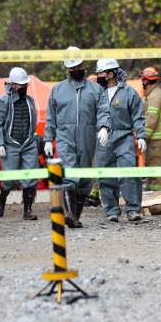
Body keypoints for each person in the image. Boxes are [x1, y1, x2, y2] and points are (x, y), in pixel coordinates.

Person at [44, 46, 111, 228]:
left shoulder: (96, 90)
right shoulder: (57, 90)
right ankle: (70, 214)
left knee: (84, 178)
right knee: (69, 173)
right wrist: (48, 139)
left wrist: (104, 127)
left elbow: (104, 110)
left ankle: (76, 216)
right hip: (65, 135)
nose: (75, 71)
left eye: (78, 67)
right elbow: (50, 117)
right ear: (67, 69)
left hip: (88, 136)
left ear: (84, 64)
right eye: (71, 69)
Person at [95, 59, 146, 222]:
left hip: (124, 137)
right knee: (105, 174)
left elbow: (138, 116)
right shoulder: (97, 92)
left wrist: (141, 135)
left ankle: (133, 209)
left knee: (128, 172)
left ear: (110, 74)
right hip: (103, 138)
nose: (98, 76)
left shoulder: (128, 92)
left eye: (101, 73)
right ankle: (112, 210)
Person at [0, 67, 39, 220]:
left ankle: (28, 211)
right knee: (11, 179)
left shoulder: (30, 100)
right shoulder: (2, 101)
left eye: (26, 84)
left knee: (30, 177)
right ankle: (2, 198)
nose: (24, 87)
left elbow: (32, 121)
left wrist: (32, 137)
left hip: (28, 143)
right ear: (12, 84)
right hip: (10, 143)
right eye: (21, 85)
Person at [139, 67, 161, 192]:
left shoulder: (155, 96)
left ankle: (158, 194)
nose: (142, 81)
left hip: (155, 137)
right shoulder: (151, 94)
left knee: (155, 166)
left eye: (143, 79)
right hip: (153, 137)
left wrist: (144, 135)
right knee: (150, 165)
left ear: (147, 80)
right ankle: (151, 190)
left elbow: (151, 118)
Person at [85, 73, 101, 208]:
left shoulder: (98, 100)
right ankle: (93, 194)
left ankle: (94, 196)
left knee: (95, 166)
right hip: (91, 138)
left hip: (97, 139)